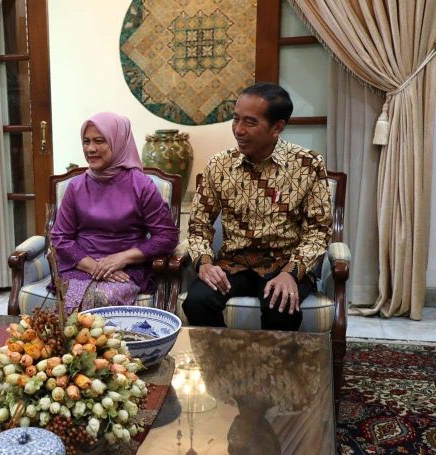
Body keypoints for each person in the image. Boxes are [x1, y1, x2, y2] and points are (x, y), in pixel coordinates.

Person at [183, 83, 333, 331]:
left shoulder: (308, 164)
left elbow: (318, 232)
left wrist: (292, 273)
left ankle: (274, 370)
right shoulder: (219, 165)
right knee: (198, 301)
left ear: (277, 128)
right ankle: (221, 366)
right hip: (233, 263)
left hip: (284, 263)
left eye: (250, 122)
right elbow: (199, 224)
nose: (238, 130)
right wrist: (204, 262)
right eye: (235, 119)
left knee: (281, 305)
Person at [50, 112, 179, 312]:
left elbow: (167, 237)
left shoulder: (141, 185)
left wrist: (122, 258)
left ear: (118, 142)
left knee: (101, 300)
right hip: (81, 266)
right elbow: (60, 238)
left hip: (127, 270)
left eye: (99, 141)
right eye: (86, 141)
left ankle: (112, 345)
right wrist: (95, 267)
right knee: (73, 306)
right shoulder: (76, 186)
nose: (90, 149)